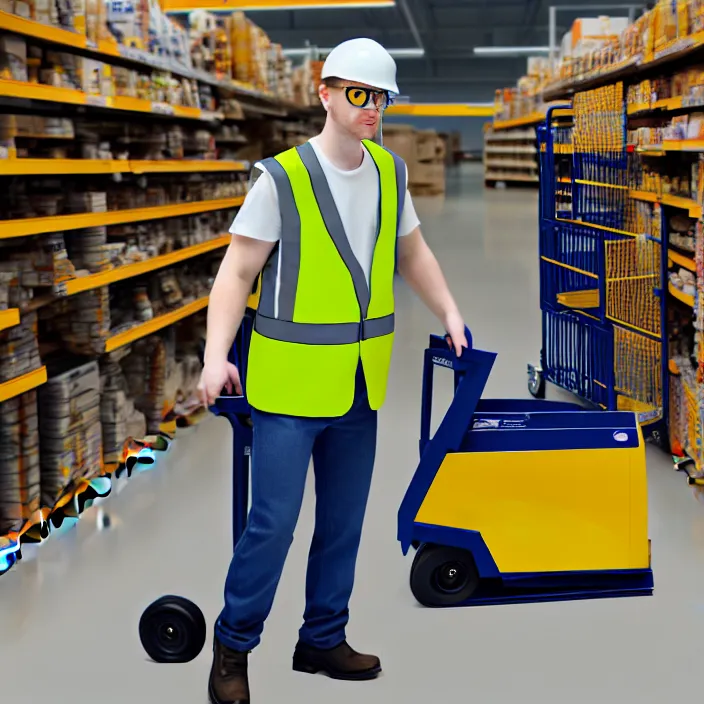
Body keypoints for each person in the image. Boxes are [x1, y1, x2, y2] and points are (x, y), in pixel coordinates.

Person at [198, 37, 467, 704]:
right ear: (325, 93)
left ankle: (322, 638)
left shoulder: (390, 173)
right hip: (288, 387)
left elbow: (413, 253)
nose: (373, 107)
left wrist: (451, 312)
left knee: (343, 525)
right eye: (359, 94)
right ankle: (233, 645)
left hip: (357, 385)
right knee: (273, 525)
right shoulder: (280, 179)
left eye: (381, 96)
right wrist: (213, 356)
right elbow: (236, 272)